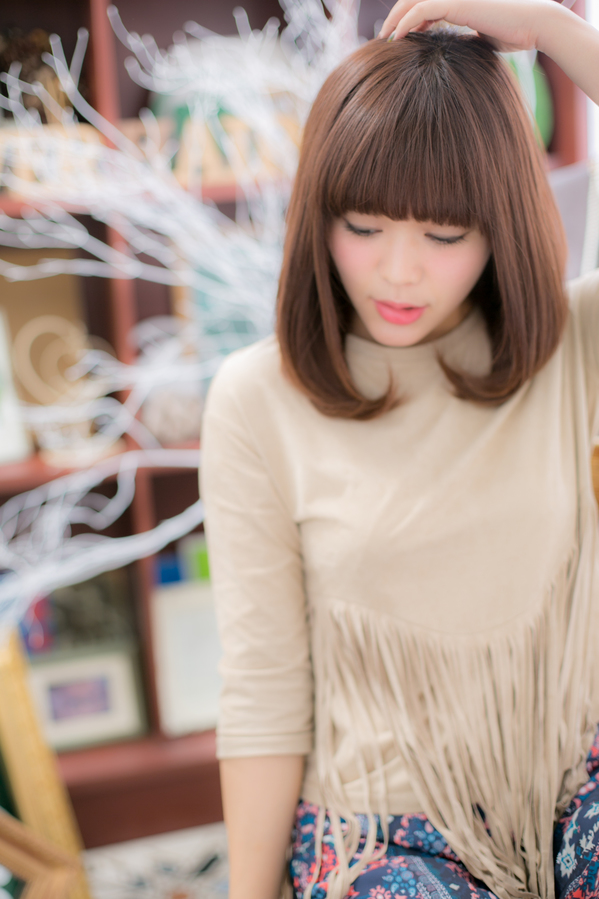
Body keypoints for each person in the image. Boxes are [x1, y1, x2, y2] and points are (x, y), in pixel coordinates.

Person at [199, 2, 599, 898]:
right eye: (363, 226)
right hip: (380, 829)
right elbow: (263, 688)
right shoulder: (256, 400)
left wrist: (556, 30)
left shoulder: (572, 344)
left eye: (443, 235)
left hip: (574, 788)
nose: (397, 271)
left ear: (497, 224)